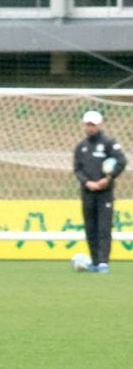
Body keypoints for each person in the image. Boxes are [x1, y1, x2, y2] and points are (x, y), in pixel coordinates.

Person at [73, 109, 126, 274]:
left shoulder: (109, 143)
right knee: (90, 228)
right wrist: (87, 182)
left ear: (99, 125)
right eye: (88, 125)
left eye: (93, 125)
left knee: (103, 228)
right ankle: (95, 261)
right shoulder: (81, 147)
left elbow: (121, 161)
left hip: (104, 193)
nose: (90, 128)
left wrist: (108, 179)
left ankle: (103, 262)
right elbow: (77, 169)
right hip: (88, 192)